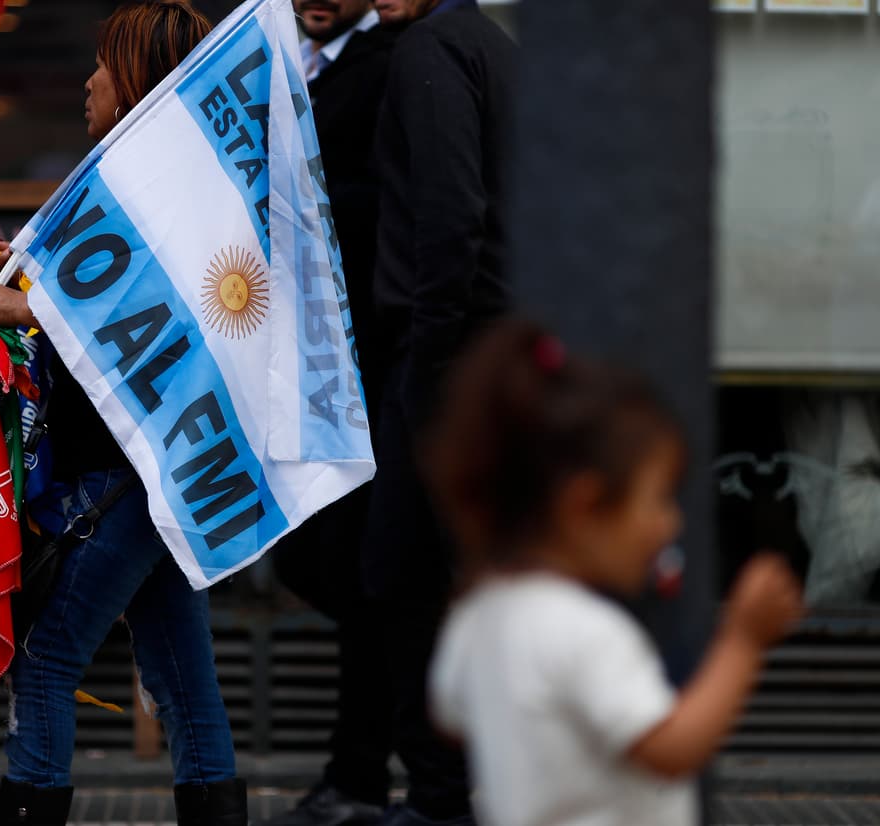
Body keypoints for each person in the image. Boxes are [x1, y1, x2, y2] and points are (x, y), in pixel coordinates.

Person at [0, 4, 246, 826]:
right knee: (183, 684)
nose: (87, 80)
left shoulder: (152, 184)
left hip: (128, 474)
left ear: (134, 85)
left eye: (102, 64)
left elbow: (160, 313)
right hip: (163, 476)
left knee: (48, 657)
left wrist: (25, 313)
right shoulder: (174, 181)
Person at [424, 318, 804, 826]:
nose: (671, 522)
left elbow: (451, 715)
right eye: (657, 500)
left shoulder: (480, 613)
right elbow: (671, 748)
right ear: (584, 506)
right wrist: (743, 641)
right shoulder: (584, 632)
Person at [363, 3, 517, 825]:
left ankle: (438, 797)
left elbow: (453, 215)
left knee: (403, 576)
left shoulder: (431, 50)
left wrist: (429, 357)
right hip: (487, 353)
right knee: (456, 576)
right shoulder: (488, 45)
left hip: (450, 359)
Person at [261, 2, 397, 825]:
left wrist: (291, 204)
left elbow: (386, 198)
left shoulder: (387, 65)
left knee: (358, 577)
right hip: (298, 370)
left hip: (360, 368)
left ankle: (361, 773)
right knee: (318, 565)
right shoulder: (285, 59)